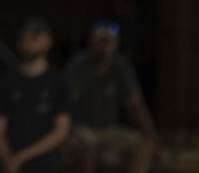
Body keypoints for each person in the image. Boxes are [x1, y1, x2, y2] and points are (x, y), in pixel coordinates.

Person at [66, 20, 161, 173]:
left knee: (142, 147)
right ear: (92, 42)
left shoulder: (120, 66)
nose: (106, 47)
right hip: (82, 129)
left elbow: (135, 106)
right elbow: (68, 102)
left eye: (110, 42)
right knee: (86, 150)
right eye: (101, 42)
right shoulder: (79, 65)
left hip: (109, 129)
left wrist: (153, 138)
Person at [0, 18, 71, 173]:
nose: (28, 42)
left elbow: (61, 130)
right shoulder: (7, 82)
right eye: (24, 38)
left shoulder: (58, 82)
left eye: (34, 37)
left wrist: (21, 157)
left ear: (48, 42)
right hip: (7, 162)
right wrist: (8, 159)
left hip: (44, 163)